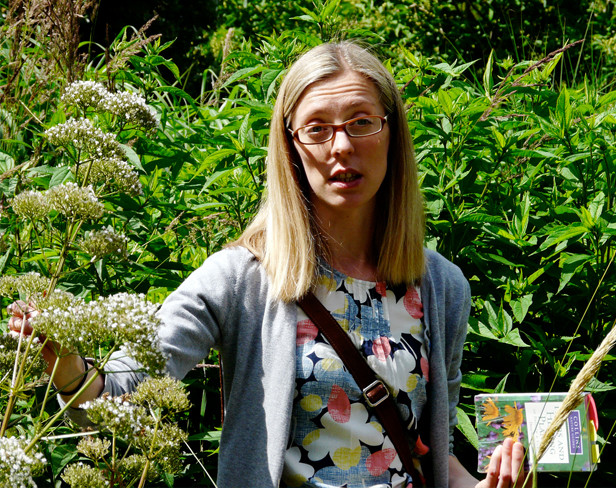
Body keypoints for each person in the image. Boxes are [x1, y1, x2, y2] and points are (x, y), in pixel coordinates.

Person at [9, 41, 528, 488]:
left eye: (362, 122)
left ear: (392, 133)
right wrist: (69, 367)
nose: (341, 145)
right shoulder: (241, 278)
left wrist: (487, 480)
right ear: (291, 148)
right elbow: (116, 393)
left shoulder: (440, 286)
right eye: (317, 129)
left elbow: (432, 459)